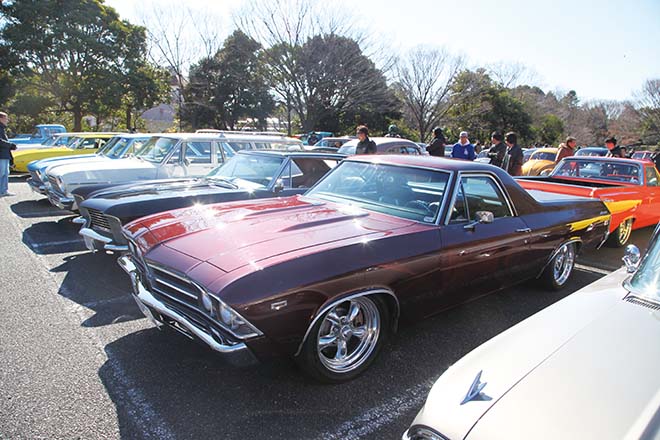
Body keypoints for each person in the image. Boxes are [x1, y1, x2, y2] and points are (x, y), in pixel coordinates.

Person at [0, 112, 17, 197]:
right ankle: (2, 190)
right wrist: (10, 145)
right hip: (1, 155)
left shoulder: (2, 128)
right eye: (6, 118)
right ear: (1, 119)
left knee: (5, 173)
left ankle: (3, 190)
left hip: (4, 155)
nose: (7, 120)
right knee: (2, 173)